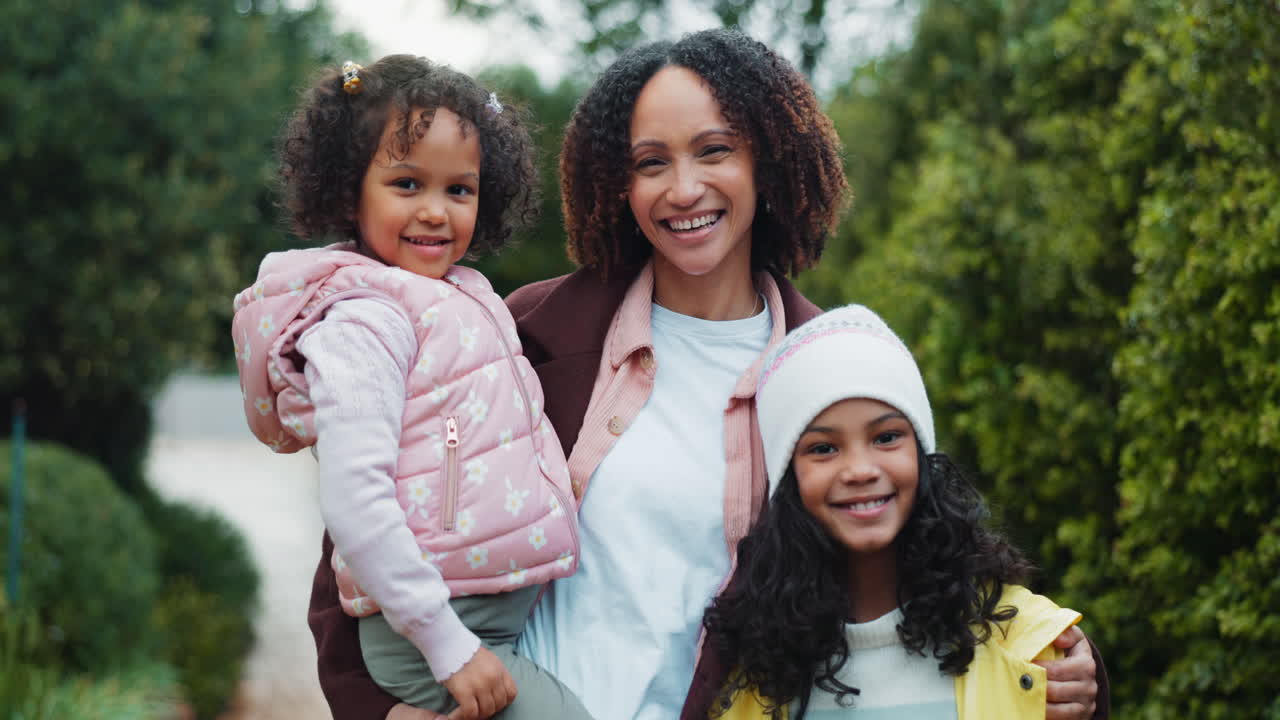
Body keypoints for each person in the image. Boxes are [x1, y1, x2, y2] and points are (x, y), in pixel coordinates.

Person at [306, 29, 1107, 720]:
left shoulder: (831, 365)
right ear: (620, 185)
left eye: (715, 150)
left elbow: (906, 562)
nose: (684, 189)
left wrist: (1045, 655)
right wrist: (384, 713)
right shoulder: (525, 335)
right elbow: (370, 535)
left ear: (769, 159)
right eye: (651, 162)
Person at [231, 55, 591, 720]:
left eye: (459, 190)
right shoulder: (363, 320)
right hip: (432, 632)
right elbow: (353, 499)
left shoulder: (458, 293)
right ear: (348, 192)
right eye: (406, 183)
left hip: (475, 616)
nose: (436, 212)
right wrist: (445, 644)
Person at [683, 304, 1103, 719]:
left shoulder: (1033, 652)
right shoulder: (748, 678)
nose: (861, 470)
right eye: (823, 448)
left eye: (886, 437)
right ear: (788, 477)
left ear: (922, 455)